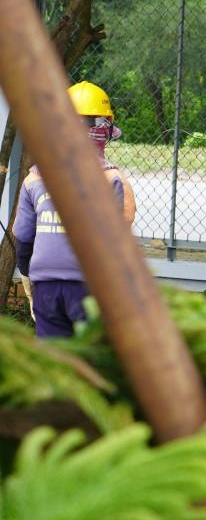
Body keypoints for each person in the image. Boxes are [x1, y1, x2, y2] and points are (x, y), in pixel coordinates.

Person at [14, 81, 135, 337]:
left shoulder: (33, 179)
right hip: (89, 285)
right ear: (106, 128)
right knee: (91, 356)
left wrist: (27, 278)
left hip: (45, 284)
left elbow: (24, 237)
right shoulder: (110, 178)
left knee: (53, 358)